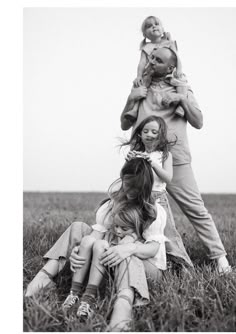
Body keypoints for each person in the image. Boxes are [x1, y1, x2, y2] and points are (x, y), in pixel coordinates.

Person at [120, 46, 232, 275]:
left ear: (170, 67)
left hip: (175, 158)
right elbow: (124, 123)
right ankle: (154, 258)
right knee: (139, 210)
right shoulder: (140, 87)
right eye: (151, 58)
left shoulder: (181, 87)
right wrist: (131, 99)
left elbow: (198, 121)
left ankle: (220, 259)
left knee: (196, 209)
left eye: (158, 60)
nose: (151, 62)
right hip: (142, 161)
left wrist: (181, 98)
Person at [25, 158, 168, 331]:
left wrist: (129, 248)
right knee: (78, 227)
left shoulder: (153, 210)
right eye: (126, 184)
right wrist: (79, 249)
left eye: (135, 187)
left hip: (146, 266)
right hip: (110, 257)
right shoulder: (114, 204)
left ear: (145, 187)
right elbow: (96, 234)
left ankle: (123, 308)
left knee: (128, 255)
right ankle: (46, 276)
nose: (129, 191)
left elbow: (154, 248)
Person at [123, 115, 193, 268]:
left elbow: (168, 178)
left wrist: (153, 164)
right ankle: (150, 262)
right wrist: (129, 161)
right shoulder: (136, 153)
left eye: (154, 132)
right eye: (145, 131)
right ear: (140, 134)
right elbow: (128, 178)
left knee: (168, 234)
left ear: (161, 135)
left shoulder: (165, 155)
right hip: (138, 199)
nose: (149, 134)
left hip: (158, 199)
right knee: (141, 232)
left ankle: (184, 264)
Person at [62, 205, 145, 320]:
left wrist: (130, 238)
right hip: (97, 270)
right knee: (88, 240)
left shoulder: (135, 241)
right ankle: (74, 293)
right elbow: (97, 246)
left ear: (136, 228)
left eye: (124, 229)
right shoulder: (111, 234)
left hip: (112, 276)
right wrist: (80, 248)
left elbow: (125, 253)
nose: (118, 231)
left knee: (101, 244)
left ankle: (89, 298)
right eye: (116, 226)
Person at [125, 15, 187, 122]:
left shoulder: (169, 43)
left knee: (181, 83)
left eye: (156, 24)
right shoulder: (146, 47)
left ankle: (181, 106)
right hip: (151, 73)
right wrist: (139, 76)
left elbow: (176, 57)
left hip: (171, 71)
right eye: (149, 26)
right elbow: (141, 63)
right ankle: (134, 110)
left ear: (163, 29)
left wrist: (179, 70)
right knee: (142, 87)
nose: (154, 27)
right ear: (145, 34)